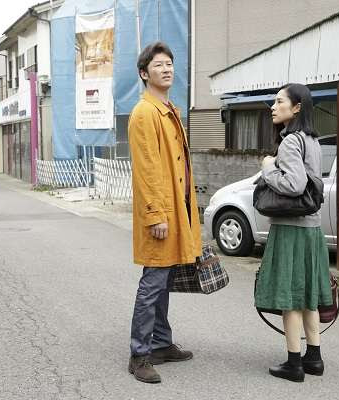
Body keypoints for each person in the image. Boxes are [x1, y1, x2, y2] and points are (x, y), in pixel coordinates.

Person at [127, 41, 202, 384]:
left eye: (169, 63)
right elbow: (147, 169)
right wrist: (155, 214)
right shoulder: (145, 113)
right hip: (162, 213)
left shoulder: (168, 109)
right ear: (144, 74)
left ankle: (160, 343)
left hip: (176, 210)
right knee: (153, 282)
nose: (167, 68)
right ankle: (139, 355)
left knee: (163, 283)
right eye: (158, 65)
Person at [254, 83, 333, 382]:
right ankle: (314, 358)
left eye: (279, 102)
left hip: (291, 230)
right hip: (312, 228)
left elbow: (294, 185)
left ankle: (293, 364)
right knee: (308, 296)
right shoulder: (312, 141)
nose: (273, 107)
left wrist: (267, 168)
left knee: (290, 296)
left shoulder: (290, 141)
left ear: (297, 107)